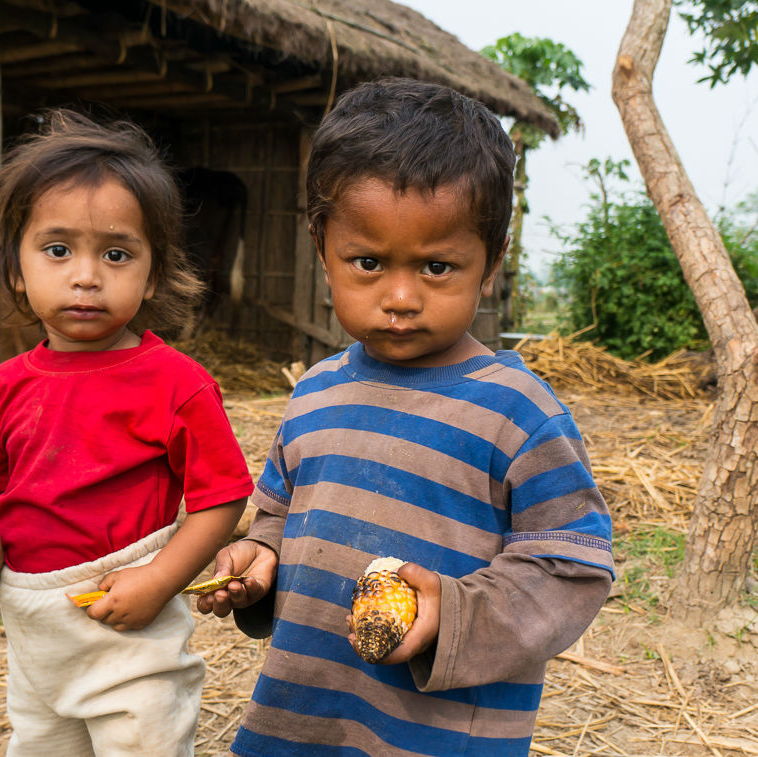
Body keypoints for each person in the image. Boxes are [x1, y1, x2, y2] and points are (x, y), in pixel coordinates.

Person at [197, 78, 615, 756]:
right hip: (300, 717)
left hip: (434, 734)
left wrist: (455, 611)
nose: (399, 296)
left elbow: (571, 567)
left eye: (437, 266)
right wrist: (258, 561)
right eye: (367, 262)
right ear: (321, 248)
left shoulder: (519, 412)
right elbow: (277, 518)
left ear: (491, 264)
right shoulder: (314, 394)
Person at [0, 109, 253, 756]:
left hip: (131, 631)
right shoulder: (3, 387)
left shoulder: (178, 384)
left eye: (116, 254)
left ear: (153, 273)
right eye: (58, 250)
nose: (87, 275)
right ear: (18, 270)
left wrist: (160, 579)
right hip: (34, 637)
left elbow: (223, 497)